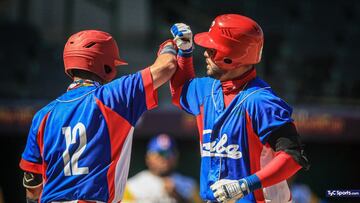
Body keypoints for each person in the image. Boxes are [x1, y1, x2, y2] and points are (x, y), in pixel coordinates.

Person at [19, 30, 178, 203]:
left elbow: (32, 184)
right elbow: (167, 66)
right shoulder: (113, 96)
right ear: (106, 66)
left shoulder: (43, 115)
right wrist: (169, 45)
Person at [169, 14, 310, 203]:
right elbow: (180, 91)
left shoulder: (261, 101)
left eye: (212, 50)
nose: (204, 53)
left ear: (231, 57)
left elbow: (293, 157)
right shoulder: (207, 90)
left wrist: (246, 185)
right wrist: (184, 52)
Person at [123, 134, 202, 203]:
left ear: (176, 157)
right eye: (160, 153)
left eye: (169, 153)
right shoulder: (132, 186)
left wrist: (178, 196)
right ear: (148, 157)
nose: (165, 158)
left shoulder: (190, 185)